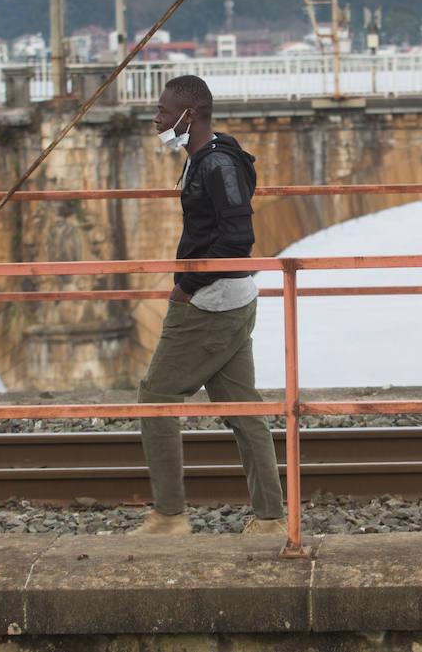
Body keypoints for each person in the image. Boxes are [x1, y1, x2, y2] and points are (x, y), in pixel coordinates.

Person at [133, 75, 286, 536]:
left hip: (211, 303)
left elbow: (239, 238)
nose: (158, 119)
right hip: (233, 299)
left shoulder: (216, 164)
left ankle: (169, 516)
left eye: (164, 111)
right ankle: (270, 520)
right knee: (243, 408)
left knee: (155, 397)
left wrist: (189, 285)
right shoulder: (211, 154)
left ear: (190, 114)